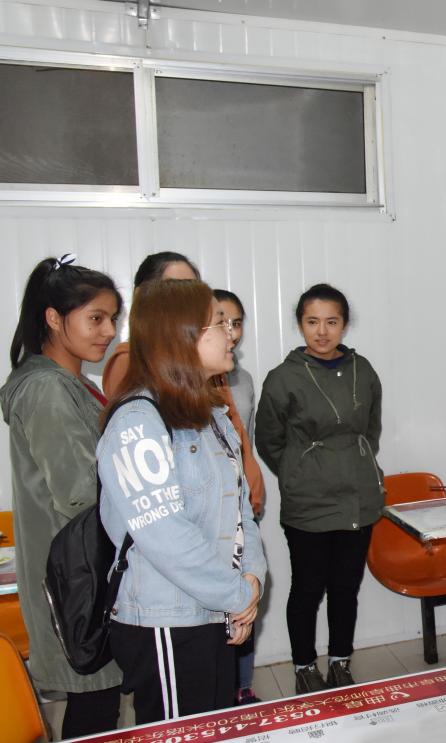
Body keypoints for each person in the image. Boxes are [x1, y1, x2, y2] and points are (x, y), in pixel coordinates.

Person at [98, 279, 266, 723]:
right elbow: (165, 535)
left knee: (214, 726)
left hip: (214, 609)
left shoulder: (209, 414)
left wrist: (251, 581)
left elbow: (240, 513)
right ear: (182, 336)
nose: (231, 335)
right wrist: (236, 594)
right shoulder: (138, 421)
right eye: (219, 324)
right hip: (166, 618)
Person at [0, 255, 123, 738]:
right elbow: (79, 494)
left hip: (85, 567)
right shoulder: (47, 389)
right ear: (53, 318)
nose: (109, 331)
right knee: (95, 703)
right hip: (76, 574)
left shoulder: (72, 383)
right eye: (96, 318)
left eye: (113, 318)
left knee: (99, 701)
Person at [255, 283, 383, 693]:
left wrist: (352, 464)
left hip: (357, 499)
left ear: (344, 325)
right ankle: (304, 666)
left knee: (346, 588)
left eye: (332, 322)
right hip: (307, 502)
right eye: (313, 322)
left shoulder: (364, 371)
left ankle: (341, 661)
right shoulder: (283, 378)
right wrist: (301, 470)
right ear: (300, 325)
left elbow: (371, 431)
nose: (322, 332)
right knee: (308, 589)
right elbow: (269, 440)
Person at [213, 288, 265, 706]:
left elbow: (248, 443)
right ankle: (220, 689)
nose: (231, 330)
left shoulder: (243, 379)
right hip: (215, 514)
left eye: (237, 322)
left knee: (247, 595)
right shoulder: (194, 381)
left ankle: (243, 686)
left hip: (245, 502)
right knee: (219, 606)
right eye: (222, 321)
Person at [102, 251, 200, 398]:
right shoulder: (128, 361)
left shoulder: (200, 353)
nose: (185, 298)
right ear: (141, 294)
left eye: (193, 288)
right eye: (174, 287)